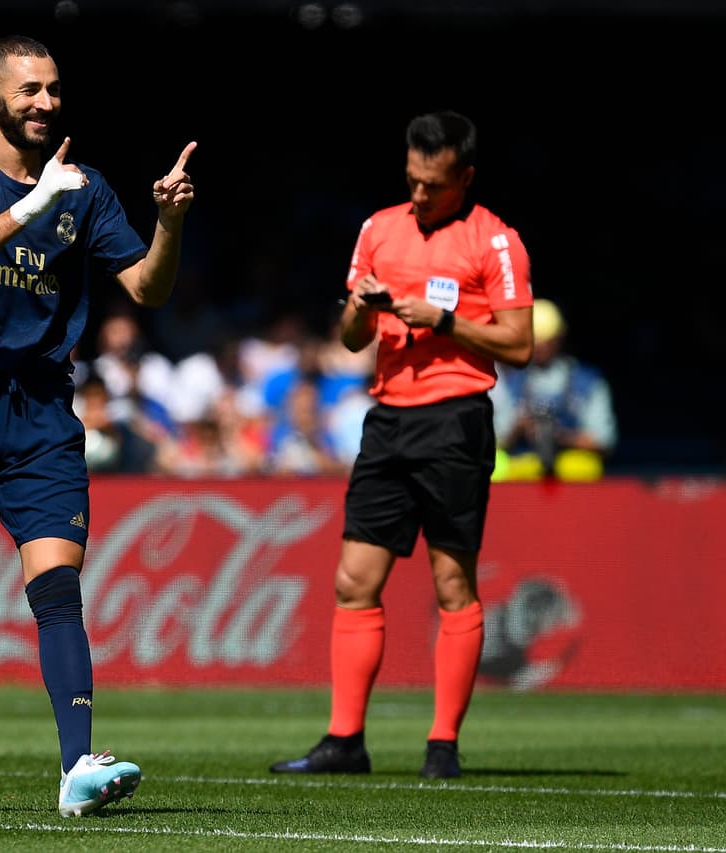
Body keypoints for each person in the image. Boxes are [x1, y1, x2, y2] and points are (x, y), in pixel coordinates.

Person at [0, 33, 195, 816]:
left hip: (40, 409)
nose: (47, 103)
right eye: (30, 90)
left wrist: (168, 225)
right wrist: (30, 205)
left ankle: (77, 767)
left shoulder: (86, 188)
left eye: (54, 89)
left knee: (58, 585)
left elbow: (147, 288)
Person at [268, 110, 533, 780]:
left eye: (434, 184)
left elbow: (520, 343)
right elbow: (353, 337)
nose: (419, 194)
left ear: (464, 178)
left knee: (451, 581)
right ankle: (344, 740)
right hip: (387, 418)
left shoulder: (495, 241)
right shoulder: (378, 228)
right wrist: (360, 308)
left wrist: (444, 319)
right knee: (353, 580)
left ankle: (442, 745)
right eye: (412, 180)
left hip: (455, 419)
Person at [490, 297, 617, 482]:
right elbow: (492, 441)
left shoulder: (588, 382)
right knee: (496, 465)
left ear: (559, 339)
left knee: (588, 466)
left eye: (547, 341)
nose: (542, 348)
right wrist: (519, 427)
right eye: (537, 340)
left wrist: (560, 436)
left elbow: (604, 441)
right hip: (523, 466)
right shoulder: (508, 381)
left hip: (570, 466)